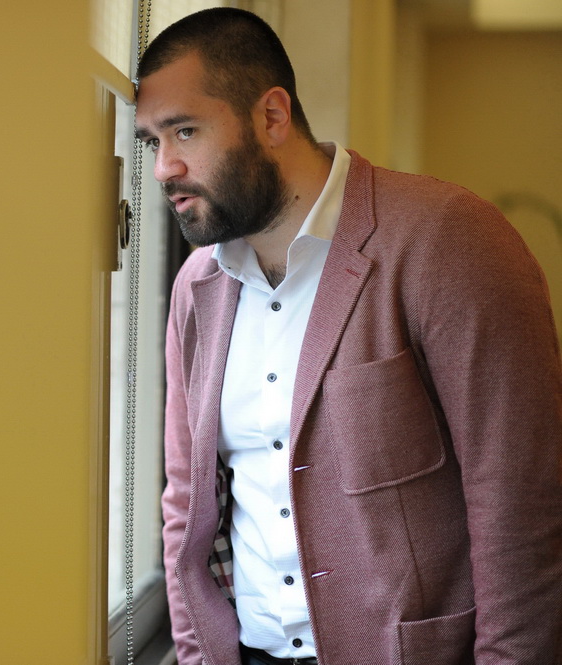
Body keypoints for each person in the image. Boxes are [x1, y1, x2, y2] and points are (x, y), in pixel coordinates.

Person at [133, 8, 562, 665]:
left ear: (271, 117)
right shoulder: (198, 288)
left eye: (184, 131)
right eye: (151, 142)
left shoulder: (449, 239)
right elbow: (185, 507)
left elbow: (521, 508)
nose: (164, 167)